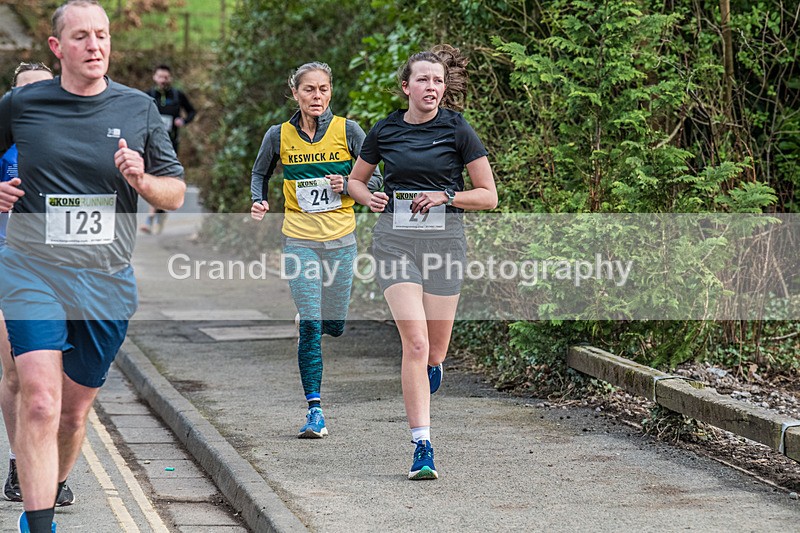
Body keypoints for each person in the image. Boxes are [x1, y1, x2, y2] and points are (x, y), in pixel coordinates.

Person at [0, 1, 185, 531]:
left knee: (72, 413)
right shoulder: (21, 104)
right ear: (58, 47)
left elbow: (173, 193)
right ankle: (40, 524)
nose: (95, 46)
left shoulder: (138, 108)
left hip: (104, 278)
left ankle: (50, 488)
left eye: (101, 36)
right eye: (80, 37)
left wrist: (143, 182)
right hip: (31, 269)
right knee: (38, 399)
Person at [346, 45, 497, 480]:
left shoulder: (457, 129)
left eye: (438, 80)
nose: (431, 87)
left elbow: (488, 196)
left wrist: (447, 196)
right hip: (395, 243)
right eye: (423, 79)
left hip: (445, 244)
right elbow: (357, 181)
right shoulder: (386, 129)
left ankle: (433, 366)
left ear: (444, 88)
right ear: (406, 86)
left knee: (434, 350)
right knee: (413, 344)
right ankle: (422, 446)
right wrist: (368, 196)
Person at [250, 62, 381, 439]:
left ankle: (319, 321)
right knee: (311, 322)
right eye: (309, 89)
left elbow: (379, 176)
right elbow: (260, 172)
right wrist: (259, 200)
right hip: (299, 239)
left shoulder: (350, 131)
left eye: (323, 89)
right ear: (295, 93)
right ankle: (315, 411)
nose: (317, 96)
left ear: (330, 92)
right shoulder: (278, 135)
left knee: (334, 326)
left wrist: (349, 184)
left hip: (341, 239)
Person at [0, 62, 79, 508]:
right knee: (15, 368)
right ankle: (21, 461)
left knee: (58, 378)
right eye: (22, 91)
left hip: (60, 266)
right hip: (6, 260)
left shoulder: (68, 139)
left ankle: (52, 464)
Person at [140, 64, 196, 234]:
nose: (163, 80)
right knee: (155, 177)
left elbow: (192, 111)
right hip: (151, 144)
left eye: (166, 77)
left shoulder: (178, 95)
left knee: (165, 178)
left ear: (170, 78)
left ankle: (155, 216)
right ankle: (153, 217)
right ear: (154, 77)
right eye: (160, 77)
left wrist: (183, 121)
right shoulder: (148, 96)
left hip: (171, 145)